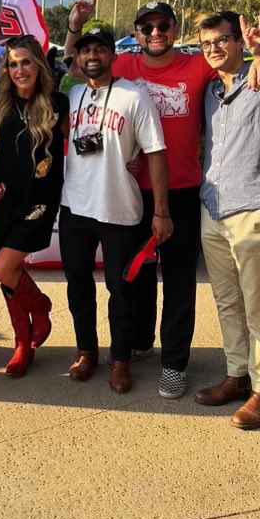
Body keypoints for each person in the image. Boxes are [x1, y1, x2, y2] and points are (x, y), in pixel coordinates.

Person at [65, 0, 216, 399]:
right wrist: (76, 27)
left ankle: (175, 364)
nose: (155, 34)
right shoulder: (125, 66)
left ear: (175, 30)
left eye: (163, 26)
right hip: (130, 193)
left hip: (180, 192)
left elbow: (231, 65)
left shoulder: (197, 66)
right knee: (134, 277)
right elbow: (78, 61)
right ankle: (140, 342)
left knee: (180, 281)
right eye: (147, 28)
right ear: (135, 35)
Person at [59, 28, 172, 394]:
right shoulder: (74, 93)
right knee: (78, 285)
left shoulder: (134, 96)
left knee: (121, 290)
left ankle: (120, 359)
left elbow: (155, 152)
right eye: (85, 50)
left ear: (113, 55)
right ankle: (86, 351)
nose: (92, 55)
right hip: (76, 204)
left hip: (119, 207)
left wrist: (161, 211)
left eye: (100, 49)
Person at [195, 12, 260, 429]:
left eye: (221, 40)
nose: (214, 49)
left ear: (238, 41)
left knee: (259, 304)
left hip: (255, 205)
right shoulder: (210, 92)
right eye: (206, 43)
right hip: (213, 207)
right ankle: (237, 375)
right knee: (227, 301)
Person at [0, 35, 69, 376]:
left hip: (40, 200)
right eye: (13, 63)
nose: (20, 69)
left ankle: (42, 305)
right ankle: (22, 344)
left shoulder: (57, 102)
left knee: (3, 268)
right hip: (3, 197)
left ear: (39, 64)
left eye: (26, 62)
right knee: (12, 271)